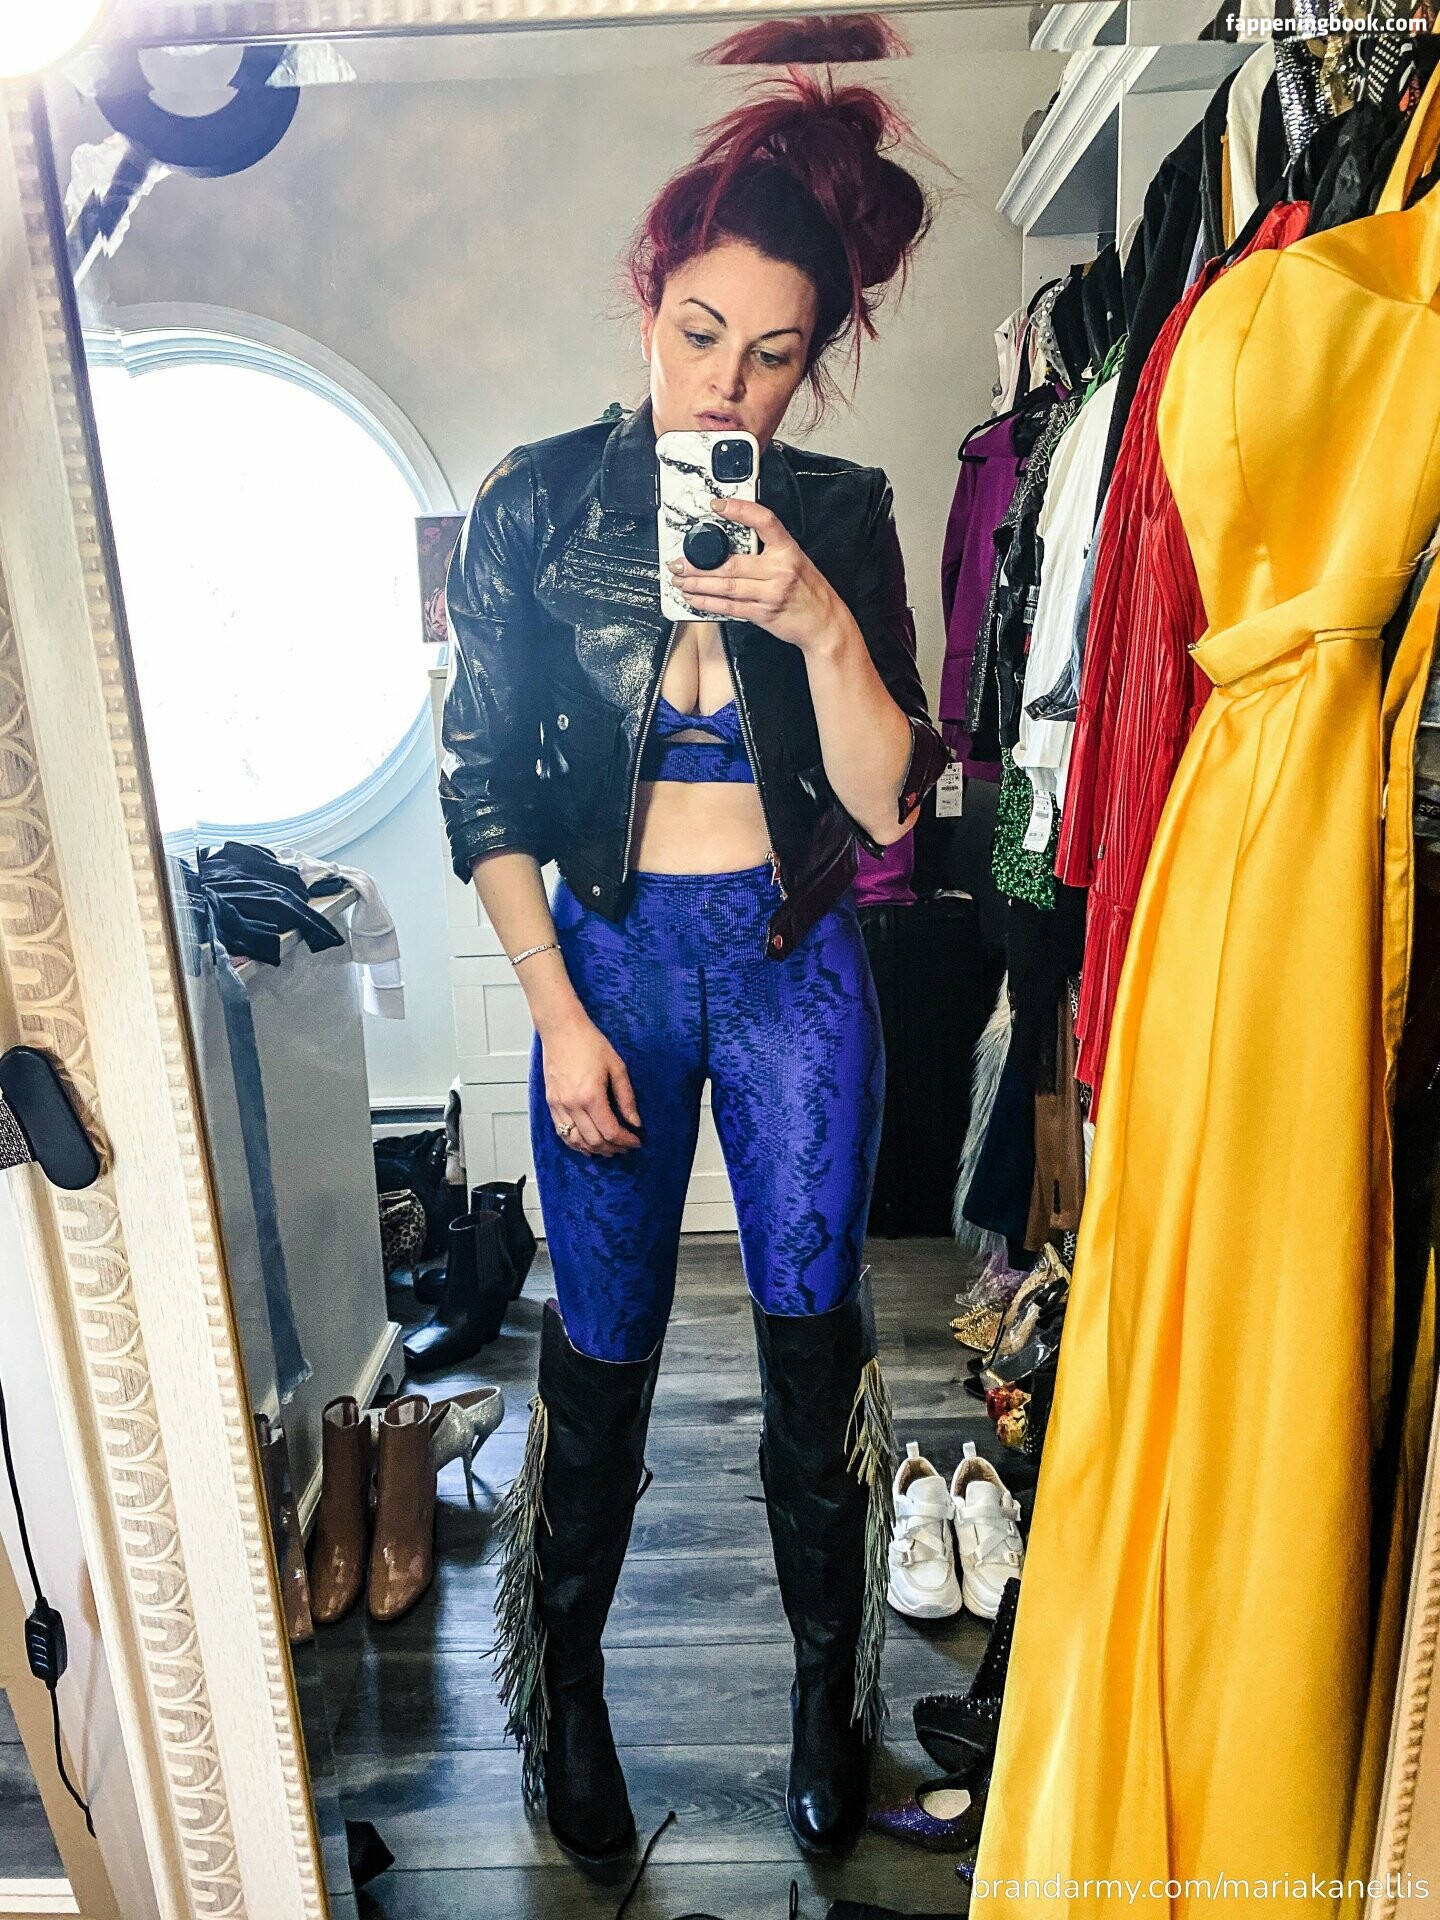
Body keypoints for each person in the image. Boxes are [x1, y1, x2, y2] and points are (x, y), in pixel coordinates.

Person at [437, 71, 949, 1870]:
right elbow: (481, 783)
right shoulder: (532, 504)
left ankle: (827, 1694)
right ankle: (565, 1690)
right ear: (649, 302)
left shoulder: (847, 515)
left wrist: (813, 614)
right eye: (700, 333)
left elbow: (886, 802)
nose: (726, 387)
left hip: (795, 968)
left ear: (812, 370)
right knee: (602, 1349)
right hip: (608, 975)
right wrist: (559, 1014)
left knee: (814, 1348)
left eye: (774, 357)